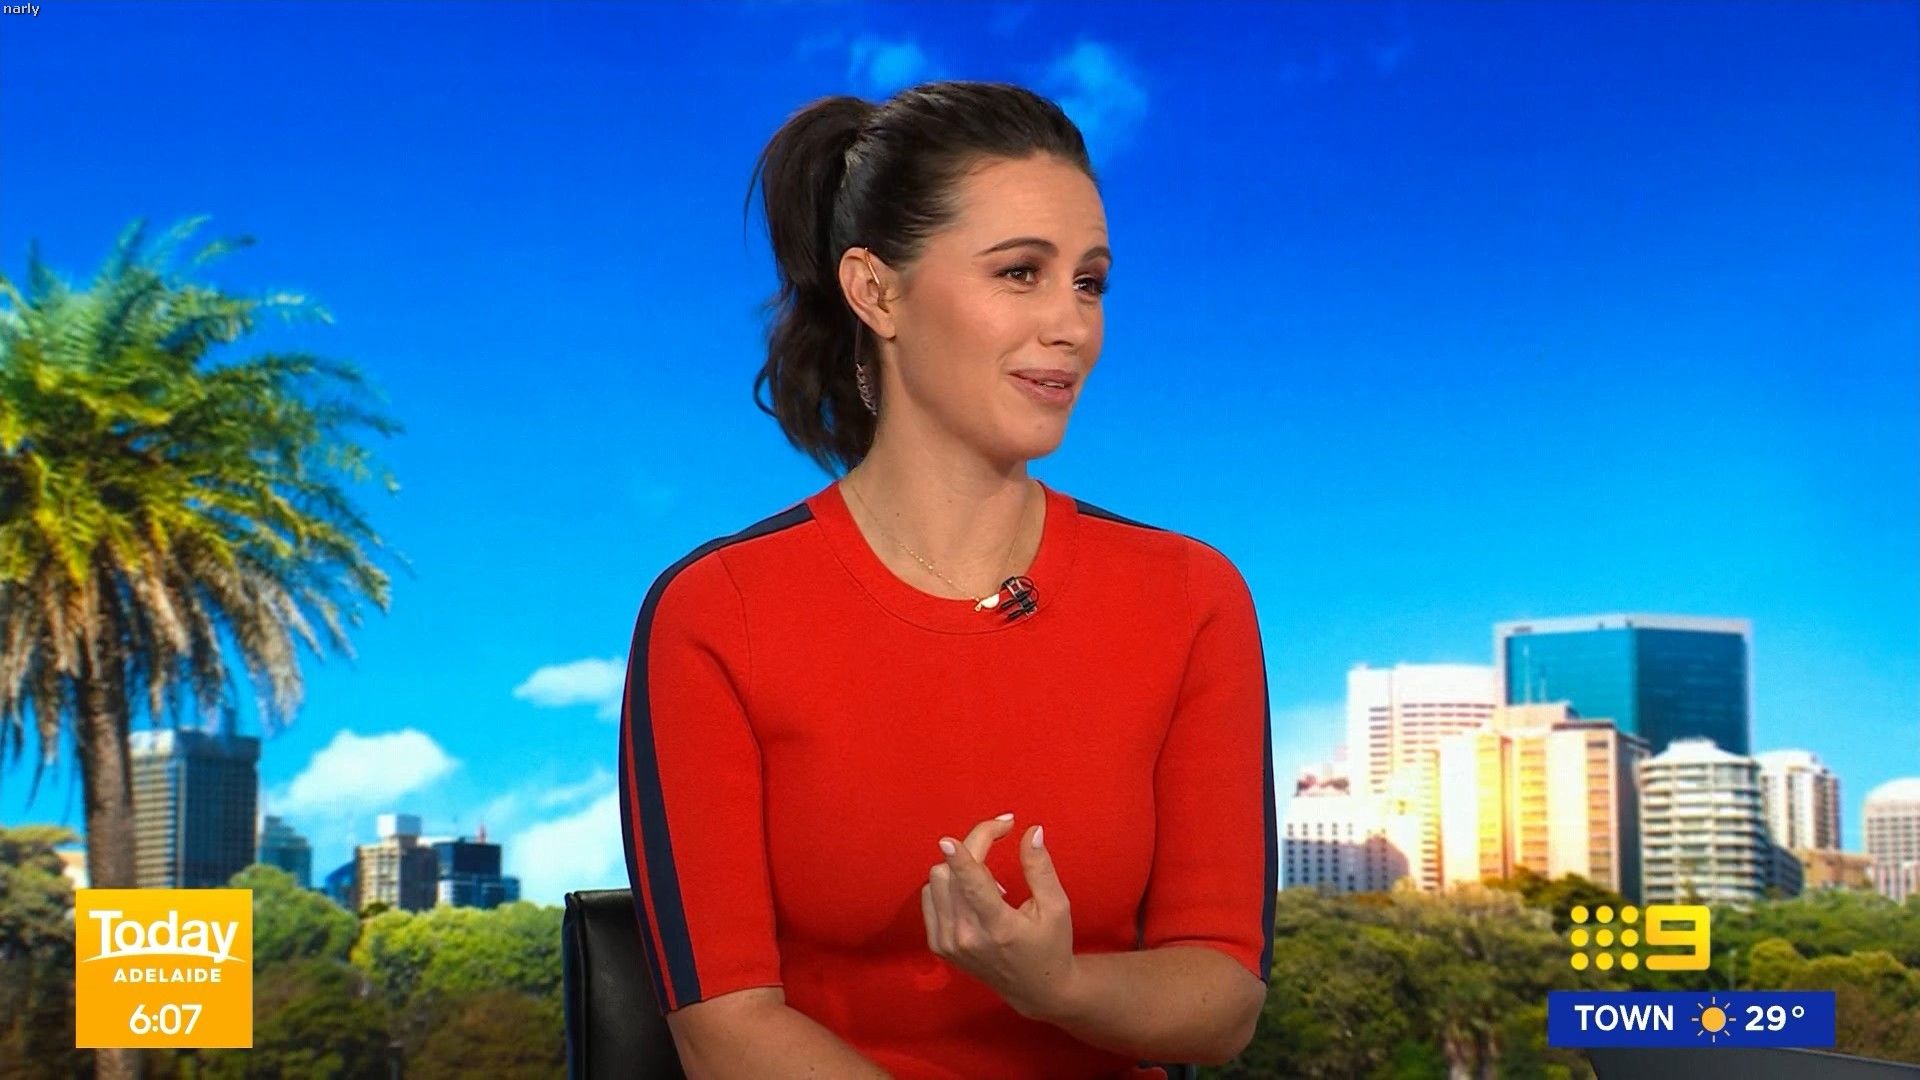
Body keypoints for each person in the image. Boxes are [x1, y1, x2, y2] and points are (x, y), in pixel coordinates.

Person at [616, 80, 1276, 1080]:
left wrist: (1061, 989)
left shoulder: (1191, 598)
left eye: (1089, 283)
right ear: (877, 293)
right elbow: (725, 1032)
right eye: (1020, 273)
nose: (1072, 325)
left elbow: (1222, 998)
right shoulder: (717, 615)